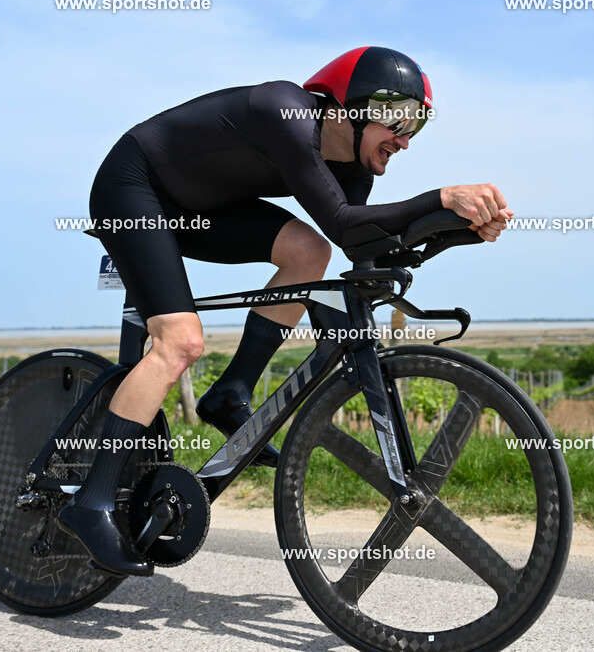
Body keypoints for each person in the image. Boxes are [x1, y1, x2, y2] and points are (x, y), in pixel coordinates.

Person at [56, 46, 514, 576]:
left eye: (416, 125)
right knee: (179, 342)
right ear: (347, 106)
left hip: (204, 207)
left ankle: (230, 393)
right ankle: (90, 502)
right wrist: (442, 198)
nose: (405, 139)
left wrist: (458, 231)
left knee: (308, 253)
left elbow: (363, 247)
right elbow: (344, 222)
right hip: (133, 187)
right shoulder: (284, 112)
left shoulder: (354, 168)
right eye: (396, 119)